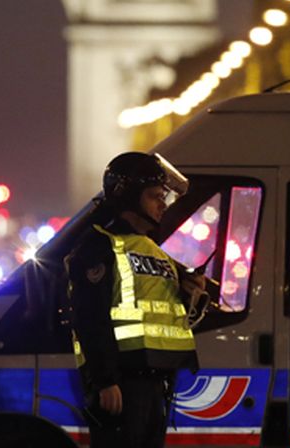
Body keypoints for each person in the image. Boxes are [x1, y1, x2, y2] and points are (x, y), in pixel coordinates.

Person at [66, 152, 207, 448]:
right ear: (129, 196)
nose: (162, 204)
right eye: (155, 196)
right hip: (122, 382)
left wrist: (189, 291)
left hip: (155, 382)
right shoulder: (100, 245)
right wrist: (104, 380)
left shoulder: (154, 250)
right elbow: (90, 316)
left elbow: (163, 311)